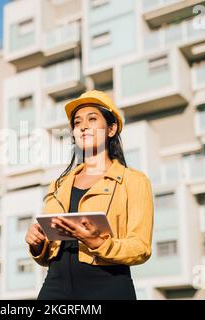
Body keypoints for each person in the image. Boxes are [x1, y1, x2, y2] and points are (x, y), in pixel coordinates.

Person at [24, 90, 154, 300]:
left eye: (92, 119)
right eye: (77, 122)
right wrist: (38, 243)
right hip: (55, 286)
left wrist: (99, 243)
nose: (83, 126)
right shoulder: (58, 185)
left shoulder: (134, 181)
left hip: (108, 286)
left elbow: (141, 247)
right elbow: (49, 252)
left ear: (111, 129)